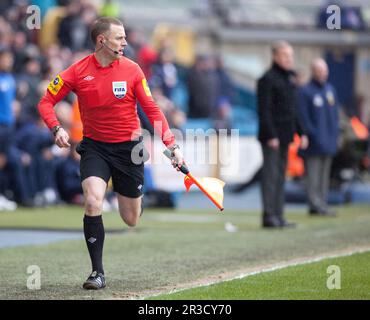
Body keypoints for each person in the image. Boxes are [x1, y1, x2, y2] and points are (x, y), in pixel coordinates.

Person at [37, 17, 184, 290]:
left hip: (129, 149)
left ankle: (131, 199)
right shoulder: (77, 71)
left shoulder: (133, 70)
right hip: (95, 148)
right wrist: (56, 128)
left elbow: (152, 110)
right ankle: (97, 273)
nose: (125, 42)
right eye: (120, 38)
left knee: (131, 218)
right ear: (101, 40)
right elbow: (46, 101)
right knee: (93, 202)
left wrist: (171, 144)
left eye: (125, 37)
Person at [257, 41, 308, 229]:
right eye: (285, 55)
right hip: (272, 138)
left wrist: (301, 132)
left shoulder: (289, 79)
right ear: (275, 56)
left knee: (280, 176)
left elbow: (293, 110)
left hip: (286, 136)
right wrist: (271, 135)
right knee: (270, 176)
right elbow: (264, 110)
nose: (289, 59)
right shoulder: (267, 79)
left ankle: (279, 214)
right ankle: (269, 215)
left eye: (290, 56)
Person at [298, 58, 339, 217]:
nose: (323, 74)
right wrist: (310, 134)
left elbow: (335, 116)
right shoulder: (305, 91)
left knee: (324, 177)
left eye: (325, 70)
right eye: (320, 70)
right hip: (314, 143)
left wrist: (335, 135)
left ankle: (323, 203)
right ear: (313, 71)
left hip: (329, 141)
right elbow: (303, 116)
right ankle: (314, 204)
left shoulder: (330, 90)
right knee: (313, 176)